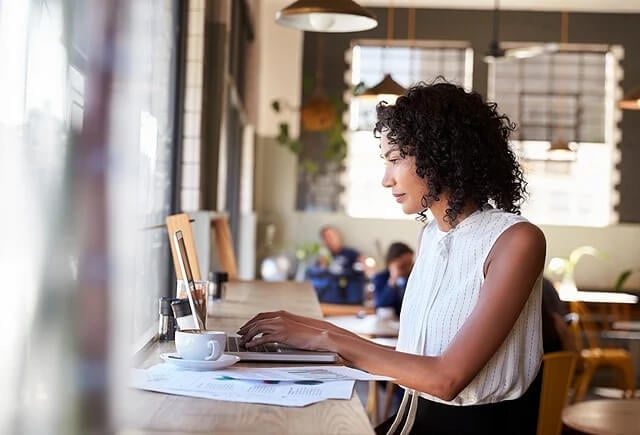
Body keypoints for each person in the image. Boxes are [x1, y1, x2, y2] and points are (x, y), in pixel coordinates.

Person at [238, 81, 546, 434]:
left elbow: (447, 378)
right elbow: (413, 358)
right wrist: (308, 327)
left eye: (395, 159)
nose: (387, 179)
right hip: (411, 423)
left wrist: (325, 337)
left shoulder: (517, 240)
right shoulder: (432, 235)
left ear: (441, 154)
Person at [304, 225, 367, 304]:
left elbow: (361, 268)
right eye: (326, 237)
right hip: (330, 288)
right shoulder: (324, 255)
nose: (329, 239)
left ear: (338, 236)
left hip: (347, 287)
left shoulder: (351, 253)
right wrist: (322, 264)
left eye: (331, 236)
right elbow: (318, 272)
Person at [372, 242, 414, 317]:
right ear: (389, 264)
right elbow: (380, 304)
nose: (408, 270)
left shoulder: (413, 279)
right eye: (402, 266)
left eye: (411, 265)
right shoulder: (380, 278)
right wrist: (392, 281)